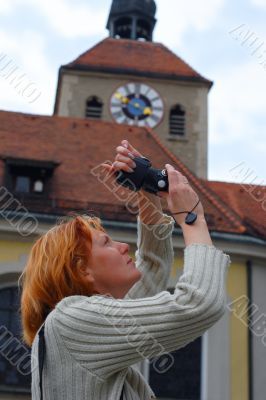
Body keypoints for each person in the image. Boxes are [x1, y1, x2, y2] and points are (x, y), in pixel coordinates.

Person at [20, 140, 231, 400]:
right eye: (107, 243)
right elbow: (198, 303)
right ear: (82, 270)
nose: (123, 246)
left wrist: (146, 187)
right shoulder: (74, 320)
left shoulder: (80, 323)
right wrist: (193, 218)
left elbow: (153, 266)